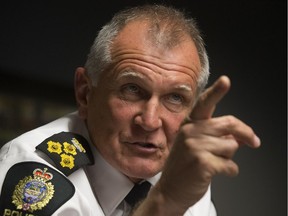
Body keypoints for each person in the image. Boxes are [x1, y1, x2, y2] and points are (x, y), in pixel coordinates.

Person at [0, 4, 261, 216]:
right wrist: (165, 202)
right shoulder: (32, 171)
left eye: (175, 98)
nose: (149, 122)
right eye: (132, 90)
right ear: (85, 93)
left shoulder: (182, 169)